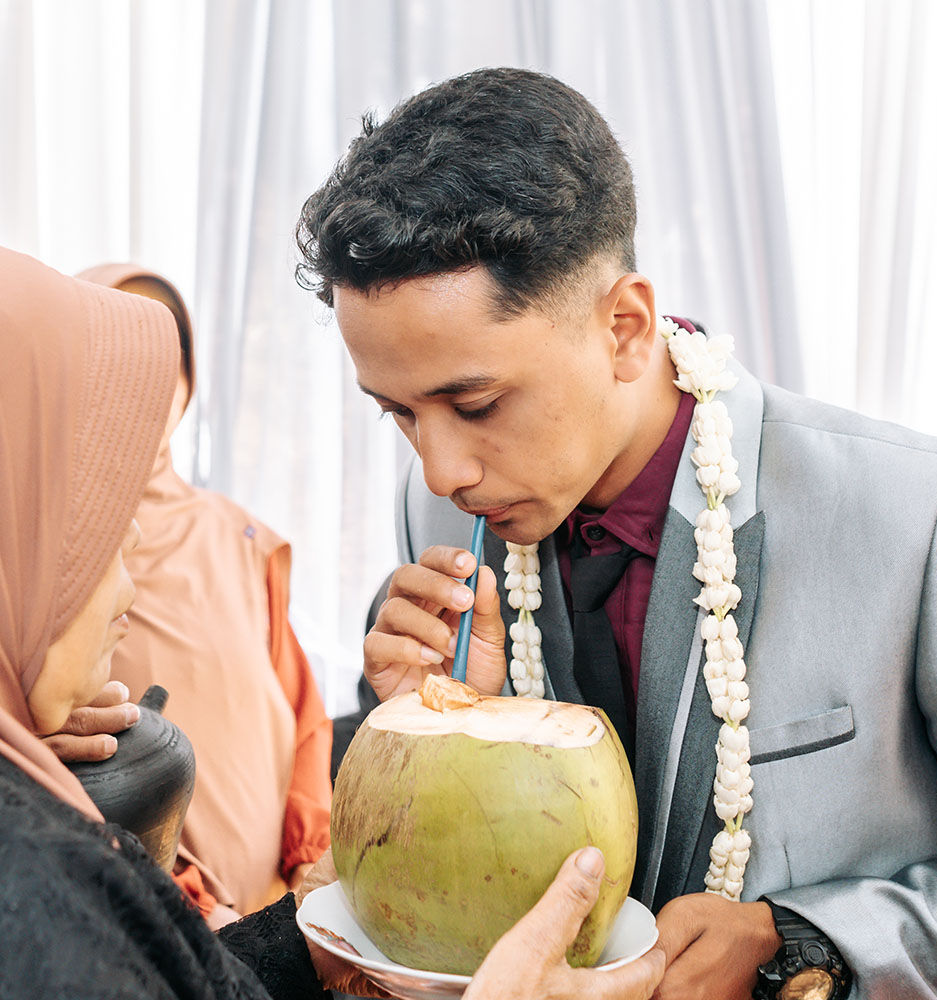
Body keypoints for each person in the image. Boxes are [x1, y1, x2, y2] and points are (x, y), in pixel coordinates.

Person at [295, 67, 937, 999]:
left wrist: (809, 940)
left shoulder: (924, 513)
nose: (441, 470)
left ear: (626, 327)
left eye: (475, 402)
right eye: (398, 412)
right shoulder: (431, 520)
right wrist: (426, 739)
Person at [0, 246, 664, 1000]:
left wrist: (333, 878)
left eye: (475, 405)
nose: (442, 475)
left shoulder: (235, 545)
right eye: (94, 526)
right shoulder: (33, 890)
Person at [68, 263, 333, 923]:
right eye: (119, 355)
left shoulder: (241, 536)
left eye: (168, 355)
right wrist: (181, 893)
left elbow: (301, 718)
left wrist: (311, 876)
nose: (149, 379)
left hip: (288, 916)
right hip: (169, 921)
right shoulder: (56, 564)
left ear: (187, 381)